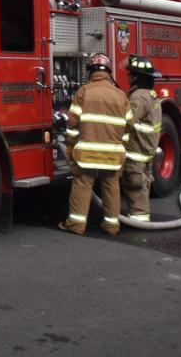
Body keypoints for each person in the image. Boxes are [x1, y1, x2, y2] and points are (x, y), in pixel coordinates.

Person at [61, 53, 133, 236]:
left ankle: (76, 225)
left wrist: (70, 146)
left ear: (90, 72)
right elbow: (128, 126)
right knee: (111, 186)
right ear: (108, 72)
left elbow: (72, 124)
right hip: (113, 154)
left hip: (86, 153)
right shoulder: (121, 95)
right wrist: (121, 147)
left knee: (83, 185)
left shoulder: (84, 92)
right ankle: (111, 226)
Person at [121, 55, 162, 222]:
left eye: (130, 74)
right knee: (142, 184)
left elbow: (127, 122)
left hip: (136, 151)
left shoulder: (138, 97)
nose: (128, 77)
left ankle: (139, 221)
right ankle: (140, 217)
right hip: (146, 151)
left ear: (136, 77)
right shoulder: (150, 95)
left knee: (135, 184)